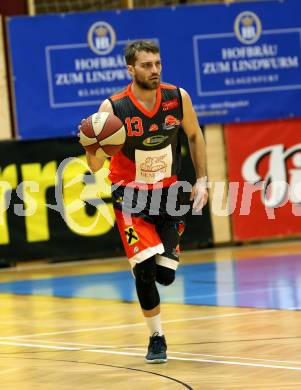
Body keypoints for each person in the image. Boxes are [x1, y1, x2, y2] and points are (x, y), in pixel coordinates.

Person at [81, 40, 208, 363]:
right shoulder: (113, 109)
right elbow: (95, 166)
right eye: (146, 65)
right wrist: (89, 144)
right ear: (130, 69)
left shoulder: (177, 98)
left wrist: (203, 181)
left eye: (157, 64)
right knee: (146, 272)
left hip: (169, 196)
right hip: (130, 197)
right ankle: (157, 337)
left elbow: (194, 135)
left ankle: (161, 249)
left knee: (166, 275)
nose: (154, 70)